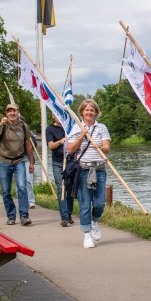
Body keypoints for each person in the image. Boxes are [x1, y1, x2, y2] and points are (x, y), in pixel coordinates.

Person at [67, 99, 110, 248]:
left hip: (99, 169)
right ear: (82, 112)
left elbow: (107, 148)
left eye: (92, 110)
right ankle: (86, 235)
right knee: (85, 203)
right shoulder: (76, 128)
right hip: (83, 169)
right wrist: (81, 135)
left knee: (99, 202)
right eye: (87, 110)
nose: (89, 112)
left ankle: (94, 221)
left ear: (96, 113)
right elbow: (70, 150)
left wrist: (99, 146)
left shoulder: (101, 127)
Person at [0, 103, 34, 226]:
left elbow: (28, 145)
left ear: (17, 112)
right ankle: (11, 216)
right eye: (9, 111)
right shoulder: (3, 125)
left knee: (22, 187)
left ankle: (24, 216)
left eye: (14, 111)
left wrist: (31, 162)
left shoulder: (23, 126)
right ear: (6, 113)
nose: (12, 113)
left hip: (19, 160)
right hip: (4, 161)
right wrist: (0, 124)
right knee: (6, 191)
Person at [46, 114, 74, 227]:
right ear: (52, 116)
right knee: (61, 187)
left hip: (71, 162)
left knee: (70, 188)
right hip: (58, 162)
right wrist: (60, 142)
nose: (59, 116)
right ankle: (64, 217)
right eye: (56, 114)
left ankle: (69, 214)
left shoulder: (70, 127)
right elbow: (51, 146)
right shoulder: (49, 129)